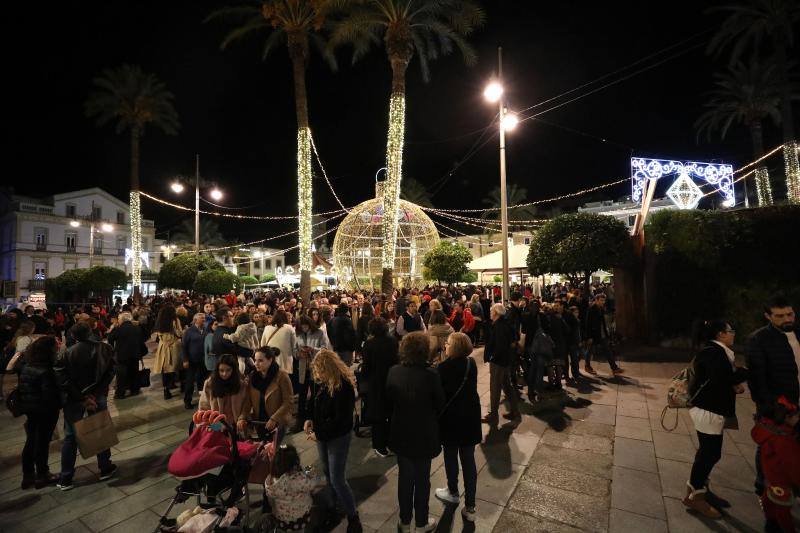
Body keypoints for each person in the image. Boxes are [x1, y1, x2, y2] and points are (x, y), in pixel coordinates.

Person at [683, 319, 747, 518]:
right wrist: (745, 373)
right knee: (710, 454)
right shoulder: (714, 353)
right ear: (720, 334)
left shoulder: (716, 352)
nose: (733, 334)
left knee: (706, 452)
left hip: (709, 408)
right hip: (707, 410)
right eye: (731, 331)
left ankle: (698, 487)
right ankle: (695, 497)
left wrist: (734, 383)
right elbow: (722, 378)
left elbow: (718, 378)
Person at [386, 332, 444, 533]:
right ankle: (421, 522)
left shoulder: (394, 372)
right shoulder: (431, 375)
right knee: (422, 480)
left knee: (405, 479)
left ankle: (404, 520)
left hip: (401, 432)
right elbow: (440, 404)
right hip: (424, 434)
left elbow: (389, 402)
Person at [745, 294, 799, 496]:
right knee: (769, 445)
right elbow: (757, 382)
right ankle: (763, 486)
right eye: (779, 316)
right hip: (778, 407)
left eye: (790, 314)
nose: (787, 319)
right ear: (767, 316)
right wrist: (777, 410)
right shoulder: (758, 340)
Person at [304, 349, 362, 533]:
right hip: (323, 434)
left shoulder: (343, 387)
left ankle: (353, 517)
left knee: (337, 479)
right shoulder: (320, 382)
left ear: (328, 368)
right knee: (328, 472)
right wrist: (309, 418)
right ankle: (333, 506)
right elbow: (312, 402)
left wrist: (318, 434)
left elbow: (341, 421)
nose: (317, 374)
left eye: (320, 370)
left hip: (338, 437)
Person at [54, 322, 116, 490]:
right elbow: (110, 371)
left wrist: (81, 397)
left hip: (75, 399)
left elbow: (62, 379)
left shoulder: (66, 353)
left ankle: (66, 477)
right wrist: (95, 394)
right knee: (100, 429)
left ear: (73, 336)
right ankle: (105, 467)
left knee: (71, 436)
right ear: (90, 332)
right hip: (97, 396)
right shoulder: (105, 348)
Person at [435, 332, 480, 522]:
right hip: (469, 417)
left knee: (451, 456)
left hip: (451, 419)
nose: (445, 345)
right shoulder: (472, 364)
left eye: (448, 343)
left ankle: (452, 491)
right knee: (469, 461)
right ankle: (470, 506)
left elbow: (439, 396)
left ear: (453, 347)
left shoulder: (443, 368)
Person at [16, 336, 62, 489]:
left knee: (30, 441)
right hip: (44, 411)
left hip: (30, 409)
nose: (57, 348)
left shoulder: (27, 366)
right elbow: (49, 396)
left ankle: (28, 475)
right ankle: (43, 474)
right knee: (42, 443)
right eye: (55, 347)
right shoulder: (45, 370)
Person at [750, 396, 800, 533]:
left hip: (771, 478)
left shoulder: (768, 432)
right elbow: (794, 465)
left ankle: (770, 522)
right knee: (783, 515)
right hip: (782, 482)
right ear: (787, 418)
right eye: (796, 415)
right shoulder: (785, 441)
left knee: (769, 503)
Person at [360, 316, 399, 457]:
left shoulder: (369, 344)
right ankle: (391, 442)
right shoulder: (393, 341)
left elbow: (366, 366)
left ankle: (379, 446)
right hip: (392, 379)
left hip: (376, 382)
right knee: (390, 412)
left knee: (378, 415)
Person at [264, 444, 324, 532]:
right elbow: (311, 484)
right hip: (298, 518)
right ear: (294, 463)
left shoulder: (271, 480)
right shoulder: (297, 479)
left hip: (281, 519)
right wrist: (312, 471)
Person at [245, 346, 293, 442]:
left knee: (276, 451)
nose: (256, 364)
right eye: (255, 360)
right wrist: (243, 417)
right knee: (263, 450)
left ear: (270, 360)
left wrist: (274, 418)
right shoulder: (253, 377)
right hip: (260, 421)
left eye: (260, 361)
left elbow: (288, 401)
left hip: (277, 422)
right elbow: (248, 401)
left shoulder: (282, 376)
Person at [483, 303, 520, 425]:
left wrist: (493, 357)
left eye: (491, 311)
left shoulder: (499, 326)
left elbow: (500, 346)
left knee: (495, 388)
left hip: (499, 362)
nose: (490, 313)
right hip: (505, 361)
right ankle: (514, 411)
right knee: (507, 386)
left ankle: (493, 415)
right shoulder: (505, 324)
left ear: (496, 313)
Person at [294, 314, 329, 433]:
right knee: (302, 396)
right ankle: (300, 421)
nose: (304, 328)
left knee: (315, 395)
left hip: (316, 368)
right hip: (303, 369)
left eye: (306, 326)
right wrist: (299, 354)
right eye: (302, 327)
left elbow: (325, 349)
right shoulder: (297, 334)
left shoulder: (319, 332)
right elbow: (294, 351)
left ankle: (314, 419)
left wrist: (313, 350)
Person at [199, 354, 249, 434]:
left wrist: (242, 418)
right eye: (221, 370)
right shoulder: (210, 384)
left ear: (233, 370)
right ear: (217, 370)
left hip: (235, 424)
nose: (224, 374)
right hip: (217, 423)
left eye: (228, 370)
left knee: (237, 444)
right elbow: (204, 406)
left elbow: (246, 405)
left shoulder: (241, 385)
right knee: (216, 442)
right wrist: (206, 424)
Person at [107, 312, 147, 399]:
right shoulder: (137, 328)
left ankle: (120, 394)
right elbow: (142, 340)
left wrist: (113, 328)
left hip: (122, 355)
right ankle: (134, 390)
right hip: (135, 355)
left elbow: (110, 338)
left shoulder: (118, 329)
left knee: (121, 376)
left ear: (121, 320)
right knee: (134, 373)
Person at [585, 294, 623, 376]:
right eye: (601, 300)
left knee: (607, 350)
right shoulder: (592, 309)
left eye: (604, 300)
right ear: (596, 300)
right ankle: (587, 366)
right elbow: (588, 324)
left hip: (601, 334)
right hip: (594, 334)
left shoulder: (601, 308)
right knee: (589, 351)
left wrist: (606, 333)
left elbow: (602, 322)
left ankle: (614, 368)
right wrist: (589, 337)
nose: (603, 302)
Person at [153, 304, 183, 400]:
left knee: (164, 368)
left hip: (163, 346)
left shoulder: (159, 322)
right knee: (176, 366)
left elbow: (157, 335)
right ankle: (176, 384)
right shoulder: (175, 320)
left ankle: (166, 389)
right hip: (173, 345)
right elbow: (179, 333)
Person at [181, 313, 208, 409]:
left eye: (204, 318)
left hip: (203, 360)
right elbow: (184, 346)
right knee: (190, 381)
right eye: (202, 319)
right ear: (195, 320)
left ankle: (203, 399)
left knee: (202, 380)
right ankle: (187, 401)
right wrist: (185, 360)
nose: (204, 320)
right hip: (192, 360)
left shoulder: (205, 329)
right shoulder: (189, 331)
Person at [261, 310, 296, 376]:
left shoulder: (267, 328)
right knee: (284, 382)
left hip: (270, 361)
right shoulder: (289, 328)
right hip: (285, 362)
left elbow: (262, 345)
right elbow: (294, 346)